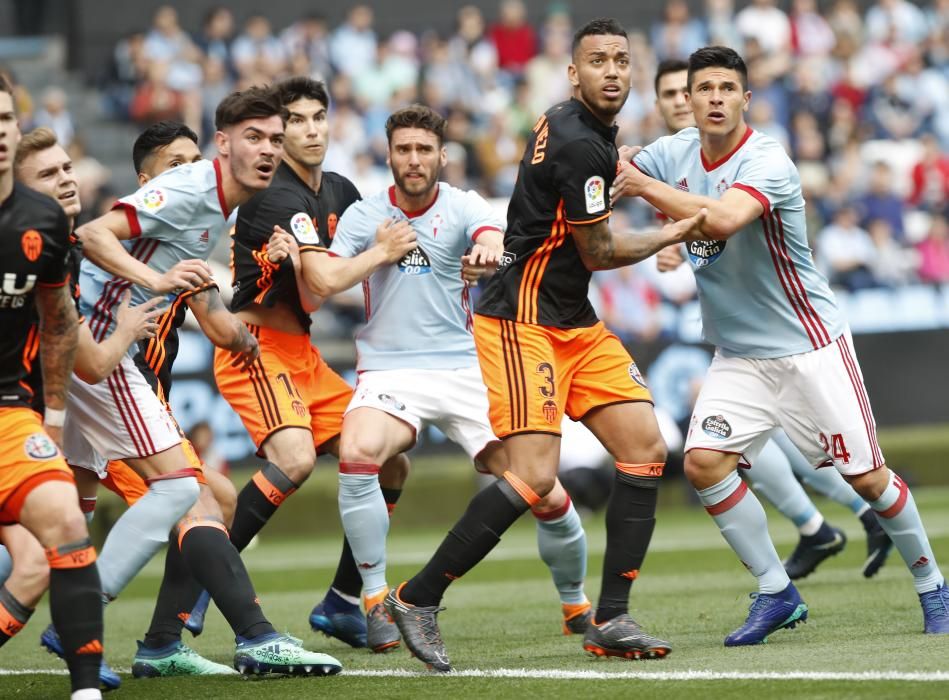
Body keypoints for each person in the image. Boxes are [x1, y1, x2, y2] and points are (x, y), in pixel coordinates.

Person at [383, 19, 707, 671]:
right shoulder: (577, 141)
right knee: (532, 476)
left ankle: (611, 617)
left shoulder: (578, 127)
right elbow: (601, 248)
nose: (613, 71)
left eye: (622, 59)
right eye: (598, 61)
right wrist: (681, 229)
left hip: (570, 318)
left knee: (643, 448)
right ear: (572, 73)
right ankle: (415, 598)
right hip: (520, 318)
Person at [614, 45, 949, 645]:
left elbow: (719, 220)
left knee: (868, 480)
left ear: (746, 99)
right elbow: (619, 165)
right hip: (739, 355)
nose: (715, 97)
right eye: (704, 88)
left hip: (808, 346)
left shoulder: (767, 158)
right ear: (686, 102)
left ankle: (934, 587)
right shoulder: (673, 153)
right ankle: (777, 593)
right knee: (702, 464)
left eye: (726, 88)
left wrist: (643, 190)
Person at [297, 103, 593, 653]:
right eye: (404, 150)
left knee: (542, 488)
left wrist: (485, 252)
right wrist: (380, 253)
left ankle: (576, 602)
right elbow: (324, 283)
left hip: (465, 368)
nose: (414, 160)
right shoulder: (365, 217)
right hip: (390, 369)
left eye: (423, 150)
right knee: (359, 450)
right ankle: (374, 599)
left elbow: (492, 239)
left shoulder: (462, 205)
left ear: (442, 156)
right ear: (388, 155)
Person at [69, 88, 342, 676]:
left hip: (120, 386)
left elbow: (219, 325)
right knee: (191, 498)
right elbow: (93, 237)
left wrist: (250, 326)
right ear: (148, 181)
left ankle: (160, 641)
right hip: (104, 377)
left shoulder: (198, 220)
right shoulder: (179, 202)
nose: (190, 171)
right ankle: (248, 635)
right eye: (176, 163)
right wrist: (159, 280)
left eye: (276, 139)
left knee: (60, 519)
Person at [650, 60, 891, 580]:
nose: (678, 102)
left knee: (772, 446)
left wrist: (673, 236)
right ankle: (830, 525)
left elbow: (718, 219)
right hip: (732, 329)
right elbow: (672, 218)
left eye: (682, 91)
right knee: (745, 447)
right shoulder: (670, 161)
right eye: (673, 93)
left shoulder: (752, 156)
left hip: (786, 325)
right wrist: (665, 242)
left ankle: (834, 522)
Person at [212, 76, 414, 651]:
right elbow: (325, 279)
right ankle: (202, 581)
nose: (310, 130)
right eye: (295, 121)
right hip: (254, 345)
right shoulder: (276, 193)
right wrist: (381, 251)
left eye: (318, 117)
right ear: (278, 134)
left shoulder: (340, 188)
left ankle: (341, 603)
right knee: (295, 459)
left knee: (389, 463)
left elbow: (388, 242)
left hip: (300, 352)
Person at [7, 126, 164, 689]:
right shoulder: (54, 238)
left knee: (49, 542)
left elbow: (62, 334)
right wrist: (126, 329)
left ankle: (98, 670)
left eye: (68, 168)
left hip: (27, 413)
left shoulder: (60, 239)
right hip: (60, 405)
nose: (66, 178)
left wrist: (48, 415)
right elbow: (91, 362)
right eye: (49, 174)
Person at [0, 75, 105, 700]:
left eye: (4, 118)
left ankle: (86, 690)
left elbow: (59, 320)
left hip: (9, 415)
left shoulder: (41, 221)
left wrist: (56, 413)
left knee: (66, 521)